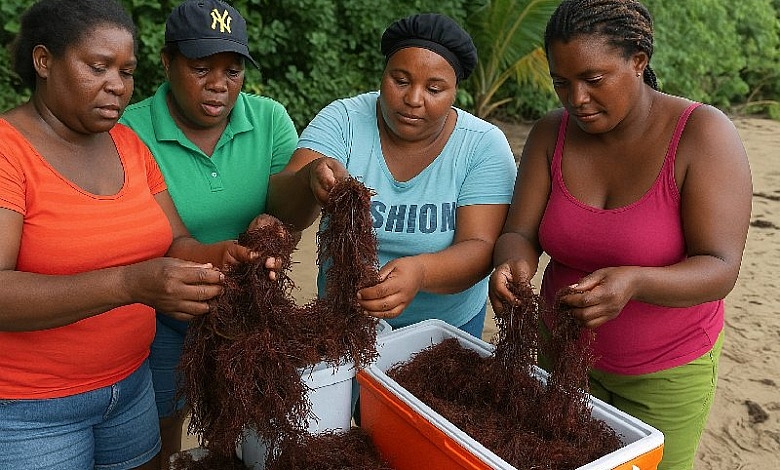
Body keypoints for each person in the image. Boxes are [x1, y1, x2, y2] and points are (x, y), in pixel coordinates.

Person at [0, 1, 265, 469]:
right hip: (30, 411)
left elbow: (175, 244)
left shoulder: (128, 145)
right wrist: (129, 284)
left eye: (126, 71)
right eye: (97, 67)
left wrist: (224, 255)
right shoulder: (9, 152)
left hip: (131, 390)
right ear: (44, 61)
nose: (117, 86)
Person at [488, 1, 752, 469]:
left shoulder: (703, 134)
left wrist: (635, 282)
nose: (577, 99)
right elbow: (520, 232)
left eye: (593, 79)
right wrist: (514, 267)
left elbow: (719, 266)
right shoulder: (552, 132)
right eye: (561, 82)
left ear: (638, 61)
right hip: (561, 355)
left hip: (665, 374)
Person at [118, 0, 298, 465]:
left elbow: (286, 212)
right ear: (165, 62)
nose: (218, 85)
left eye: (232, 71)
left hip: (246, 307)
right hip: (158, 312)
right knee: (157, 433)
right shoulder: (126, 130)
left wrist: (272, 228)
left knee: (239, 424)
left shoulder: (269, 120)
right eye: (200, 68)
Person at [267, 12, 517, 339]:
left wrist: (421, 272)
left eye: (434, 88)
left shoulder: (482, 145)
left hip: (444, 331)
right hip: (343, 321)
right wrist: (308, 178)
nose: (413, 99)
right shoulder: (344, 121)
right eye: (400, 80)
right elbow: (282, 209)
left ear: (455, 91)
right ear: (383, 74)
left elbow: (481, 246)